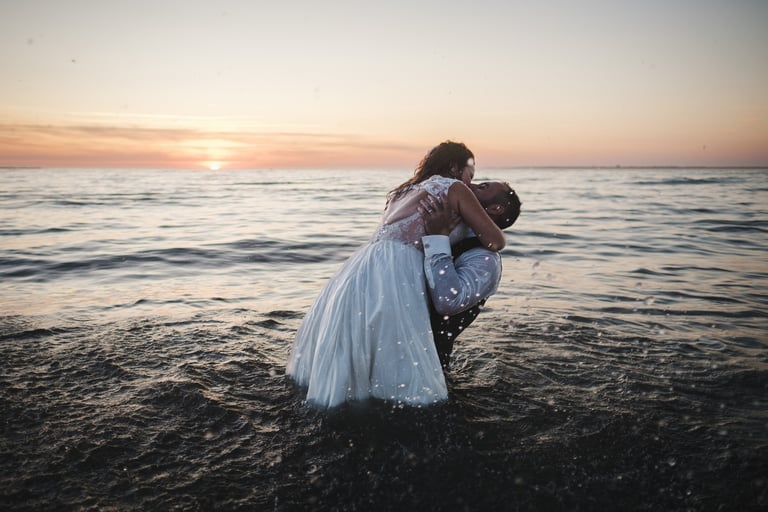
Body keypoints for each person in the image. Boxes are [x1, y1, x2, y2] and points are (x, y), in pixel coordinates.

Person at [286, 141, 506, 408]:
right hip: (399, 266)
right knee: (398, 346)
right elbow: (496, 241)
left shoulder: (402, 191)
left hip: (363, 264)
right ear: (453, 167)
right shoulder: (454, 188)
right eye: (470, 176)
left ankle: (348, 398)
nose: (470, 184)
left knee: (363, 333)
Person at [419, 181, 521, 369]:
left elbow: (448, 301)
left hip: (429, 364)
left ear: (495, 208)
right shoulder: (454, 237)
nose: (470, 185)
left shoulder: (485, 259)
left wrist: (437, 237)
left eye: (483, 187)